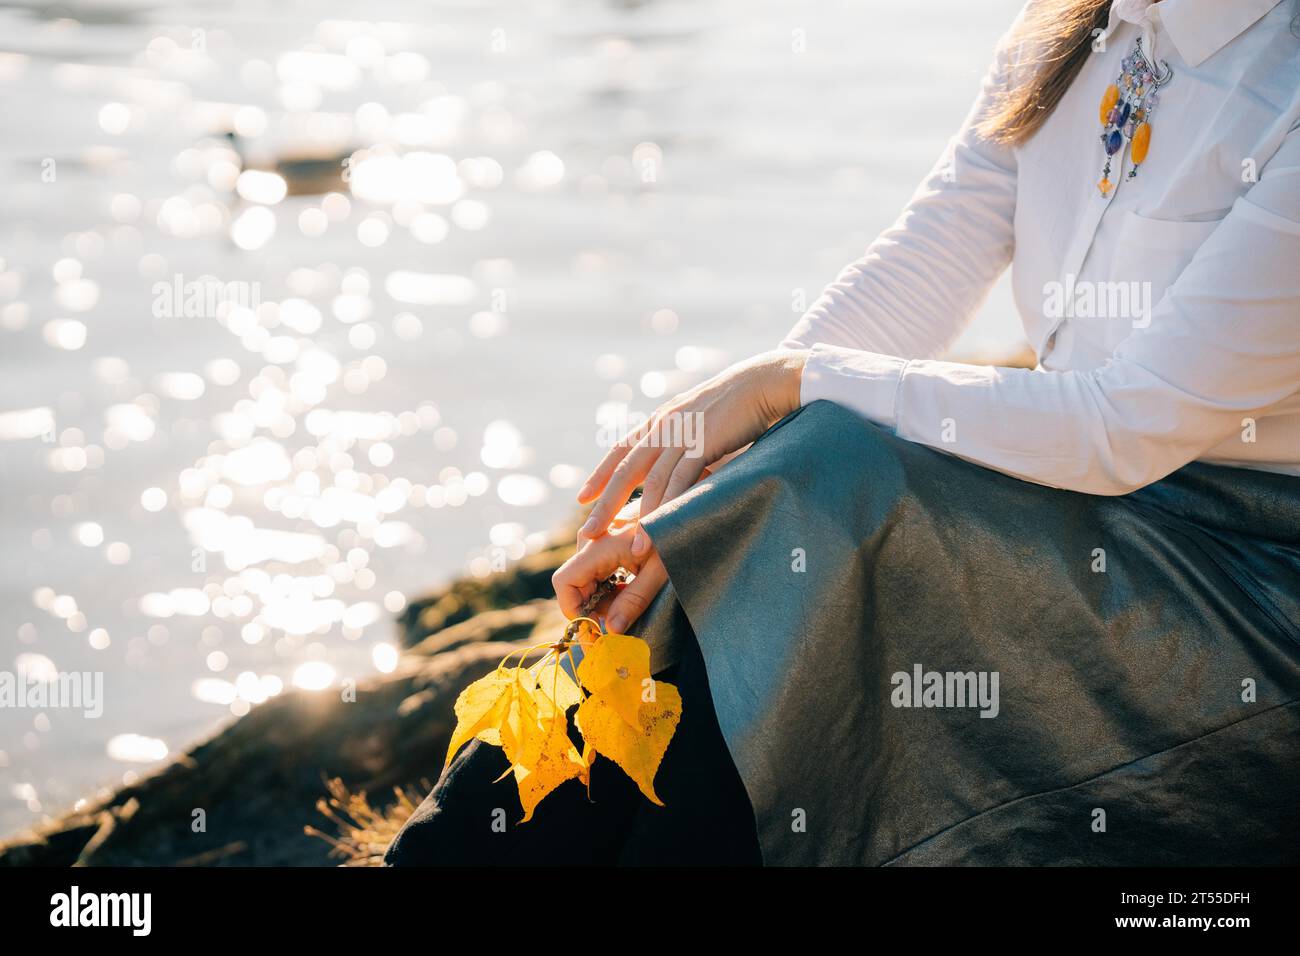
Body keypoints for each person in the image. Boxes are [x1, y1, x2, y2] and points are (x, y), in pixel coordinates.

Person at [386, 0, 1300, 866]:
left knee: (839, 483)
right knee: (767, 518)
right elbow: (925, 265)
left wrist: (788, 385)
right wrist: (725, 486)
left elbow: (1125, 423)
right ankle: (452, 853)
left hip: (1236, 593)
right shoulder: (1069, 25)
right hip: (1074, 495)